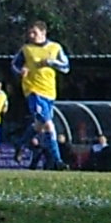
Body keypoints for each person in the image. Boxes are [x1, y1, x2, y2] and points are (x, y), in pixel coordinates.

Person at [10, 22, 69, 168]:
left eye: (34, 33)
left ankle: (20, 144)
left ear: (43, 33)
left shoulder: (55, 47)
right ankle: (58, 161)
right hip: (33, 91)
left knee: (38, 126)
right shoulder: (26, 49)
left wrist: (50, 62)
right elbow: (14, 64)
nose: (31, 36)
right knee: (49, 125)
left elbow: (66, 67)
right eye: (30, 33)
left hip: (49, 91)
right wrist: (21, 71)